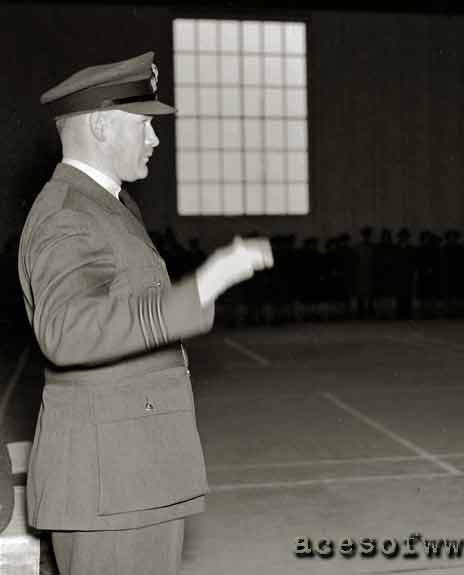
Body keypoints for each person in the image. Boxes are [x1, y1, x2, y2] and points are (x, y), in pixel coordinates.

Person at [17, 52, 273, 575]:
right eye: (146, 125)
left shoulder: (108, 206)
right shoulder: (68, 214)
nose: (156, 139)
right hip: (111, 486)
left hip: (131, 476)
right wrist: (203, 286)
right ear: (101, 126)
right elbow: (65, 331)